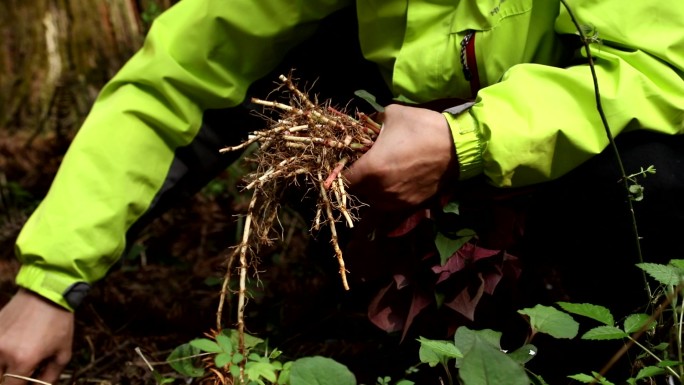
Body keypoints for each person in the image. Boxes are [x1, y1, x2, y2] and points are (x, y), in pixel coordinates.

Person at [1, 0, 683, 383]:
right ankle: (378, 294)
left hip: (555, 141)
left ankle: (592, 348)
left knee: (650, 170)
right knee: (287, 88)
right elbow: (181, 76)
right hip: (403, 141)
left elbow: (660, 68)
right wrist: (50, 282)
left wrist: (467, 140)